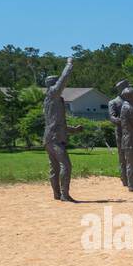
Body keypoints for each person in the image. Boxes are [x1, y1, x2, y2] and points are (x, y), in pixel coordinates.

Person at [43, 58, 81, 202]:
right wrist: (69, 64)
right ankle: (64, 195)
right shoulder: (53, 94)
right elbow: (63, 79)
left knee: (54, 168)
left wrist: (73, 130)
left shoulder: (49, 101)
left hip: (49, 138)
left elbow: (55, 123)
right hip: (55, 140)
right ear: (52, 85)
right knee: (66, 165)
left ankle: (57, 194)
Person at [107, 79, 132, 187]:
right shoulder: (113, 102)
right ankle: (125, 179)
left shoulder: (132, 101)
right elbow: (112, 118)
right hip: (121, 133)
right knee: (123, 157)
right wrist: (124, 122)